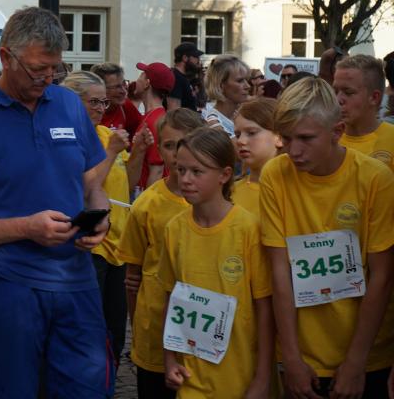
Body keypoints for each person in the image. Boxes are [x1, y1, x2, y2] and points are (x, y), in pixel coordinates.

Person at [0, 6, 113, 398]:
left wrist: (102, 216)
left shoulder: (68, 104)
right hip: (7, 285)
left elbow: (91, 185)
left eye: (54, 69)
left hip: (76, 282)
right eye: (36, 69)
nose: (46, 78)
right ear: (6, 56)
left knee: (89, 391)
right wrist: (26, 228)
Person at [260, 77, 394, 398]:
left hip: (367, 352)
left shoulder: (375, 178)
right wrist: (291, 357)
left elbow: (382, 275)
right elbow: (280, 270)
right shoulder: (275, 174)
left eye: (306, 138)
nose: (293, 150)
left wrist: (357, 361)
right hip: (302, 354)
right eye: (286, 138)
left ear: (337, 131)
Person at [160, 127, 275, 397]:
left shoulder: (248, 229)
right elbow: (170, 298)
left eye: (197, 171)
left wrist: (263, 377)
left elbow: (265, 309)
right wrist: (169, 359)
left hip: (241, 378)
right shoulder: (174, 229)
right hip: (191, 379)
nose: (185, 179)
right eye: (181, 169)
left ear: (224, 175)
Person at [61, 70, 151, 367]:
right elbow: (85, 187)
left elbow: (129, 183)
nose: (101, 108)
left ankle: (107, 380)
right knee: (88, 326)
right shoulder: (67, 137)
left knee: (114, 328)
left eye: (104, 102)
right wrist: (112, 152)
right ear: (73, 102)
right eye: (94, 102)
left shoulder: (104, 134)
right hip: (91, 245)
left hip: (118, 245)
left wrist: (138, 151)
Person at [122, 107, 205, 399]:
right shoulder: (147, 205)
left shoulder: (217, 200)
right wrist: (139, 329)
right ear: (159, 149)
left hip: (204, 331)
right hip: (156, 329)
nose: (178, 154)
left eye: (186, 144)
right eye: (170, 145)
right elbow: (132, 275)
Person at [333, 54, 394, 172]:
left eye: (348, 92)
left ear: (374, 97)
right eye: (335, 91)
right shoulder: (326, 139)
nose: (338, 99)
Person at [233, 97, 279, 217]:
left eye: (251, 133)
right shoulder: (228, 192)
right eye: (237, 135)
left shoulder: (294, 191)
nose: (240, 141)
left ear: (279, 136)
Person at [135, 62, 176, 190]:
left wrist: (147, 201)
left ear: (147, 83)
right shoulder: (154, 116)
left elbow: (157, 171)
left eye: (141, 76)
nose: (136, 80)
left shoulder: (155, 121)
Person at [203, 54, 251, 137]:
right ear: (220, 85)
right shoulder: (214, 123)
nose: (248, 86)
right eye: (240, 81)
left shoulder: (242, 116)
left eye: (246, 80)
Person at [92, 62, 142, 138]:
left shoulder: (125, 106)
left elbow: (138, 134)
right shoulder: (88, 111)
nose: (124, 91)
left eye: (124, 84)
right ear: (100, 88)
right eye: (117, 87)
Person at [167, 42, 202, 111]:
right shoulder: (176, 78)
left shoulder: (183, 77)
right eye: (195, 57)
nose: (198, 60)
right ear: (185, 58)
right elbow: (173, 111)